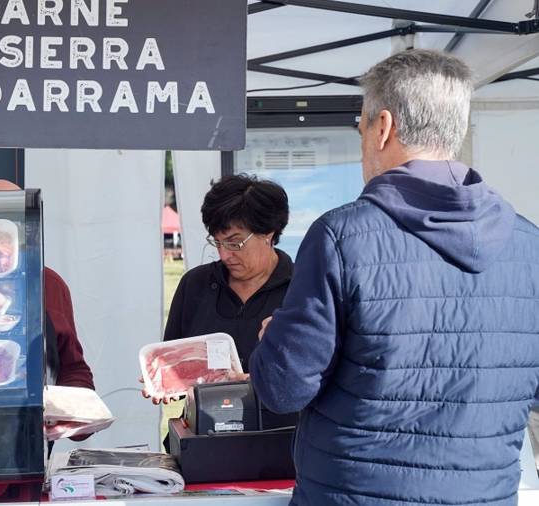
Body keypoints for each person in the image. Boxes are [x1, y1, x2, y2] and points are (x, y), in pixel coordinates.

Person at [250, 49, 539, 505]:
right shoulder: (530, 244)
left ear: (382, 127)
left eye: (360, 127)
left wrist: (274, 341)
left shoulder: (341, 237)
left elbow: (284, 389)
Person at [146, 174, 293, 404]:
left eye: (235, 243)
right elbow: (173, 363)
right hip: (204, 433)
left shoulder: (301, 291)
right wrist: (165, 382)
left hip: (278, 434)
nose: (225, 254)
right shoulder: (195, 285)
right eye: (217, 242)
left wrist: (262, 382)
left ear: (269, 234)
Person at [0, 179, 95, 390]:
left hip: (30, 416)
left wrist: (73, 408)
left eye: (14, 219)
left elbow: (73, 368)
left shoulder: (49, 283)